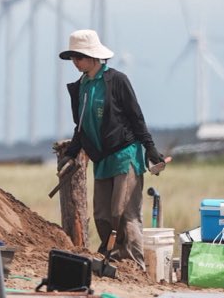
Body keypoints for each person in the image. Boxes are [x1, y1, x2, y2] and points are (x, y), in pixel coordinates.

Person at [58, 29, 165, 270]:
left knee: (124, 212)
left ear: (93, 57)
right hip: (102, 158)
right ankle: (111, 256)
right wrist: (72, 153)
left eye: (79, 57)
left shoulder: (116, 80)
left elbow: (136, 117)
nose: (75, 62)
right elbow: (82, 125)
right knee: (102, 215)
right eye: (73, 58)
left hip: (124, 153)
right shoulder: (81, 87)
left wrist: (150, 148)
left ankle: (133, 264)